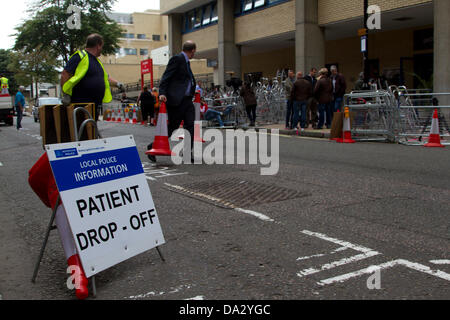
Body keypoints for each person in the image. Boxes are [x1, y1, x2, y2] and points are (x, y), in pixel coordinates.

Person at [148, 41, 197, 162]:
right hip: (177, 100)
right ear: (192, 50)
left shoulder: (186, 62)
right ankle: (153, 146)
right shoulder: (177, 59)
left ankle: (187, 152)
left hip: (187, 100)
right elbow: (166, 77)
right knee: (173, 127)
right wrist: (162, 93)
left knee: (190, 125)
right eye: (194, 52)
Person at [61, 33, 124, 122]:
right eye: (101, 46)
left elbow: (105, 78)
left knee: (90, 131)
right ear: (98, 45)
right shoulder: (80, 56)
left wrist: (118, 84)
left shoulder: (97, 62)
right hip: (81, 105)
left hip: (93, 106)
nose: (101, 49)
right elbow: (65, 73)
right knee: (82, 131)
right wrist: (65, 95)